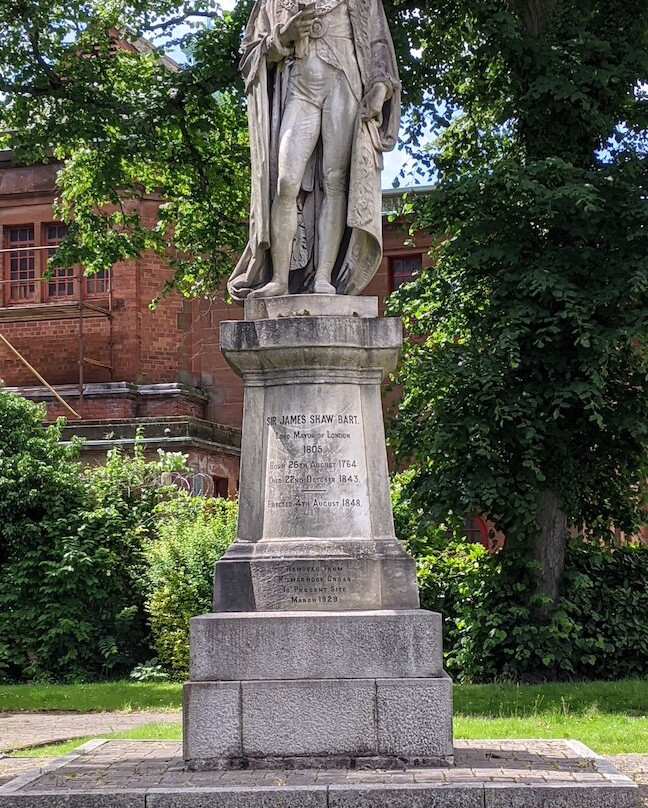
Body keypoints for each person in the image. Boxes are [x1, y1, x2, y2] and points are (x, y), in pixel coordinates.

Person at [228, 0, 401, 301]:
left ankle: (324, 275)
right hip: (299, 86)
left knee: (335, 180)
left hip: (345, 81)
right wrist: (284, 36)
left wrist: (380, 87)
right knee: (286, 181)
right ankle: (280, 279)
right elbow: (250, 56)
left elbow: (378, 42)